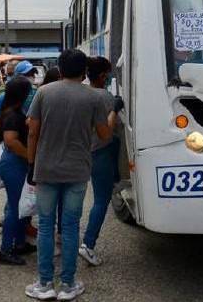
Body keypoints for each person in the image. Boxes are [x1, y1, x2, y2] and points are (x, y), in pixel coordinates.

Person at [24, 49, 122, 301]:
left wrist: (31, 163)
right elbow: (104, 135)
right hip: (78, 170)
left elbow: (32, 132)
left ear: (60, 67)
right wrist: (112, 115)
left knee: (46, 227)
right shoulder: (93, 98)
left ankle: (44, 284)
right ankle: (68, 284)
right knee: (69, 227)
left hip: (45, 169)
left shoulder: (44, 92)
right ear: (83, 71)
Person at [79, 57, 121, 267]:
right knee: (101, 200)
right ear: (104, 75)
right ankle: (88, 244)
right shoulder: (104, 97)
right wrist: (115, 108)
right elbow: (108, 130)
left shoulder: (83, 94)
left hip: (85, 152)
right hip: (102, 152)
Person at [0, 76, 37, 266]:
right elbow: (11, 141)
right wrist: (30, 156)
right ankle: (5, 250)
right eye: (29, 91)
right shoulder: (13, 115)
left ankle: (20, 243)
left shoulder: (13, 111)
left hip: (16, 164)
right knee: (14, 208)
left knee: (20, 207)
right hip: (14, 164)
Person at [0, 61, 38, 130]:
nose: (32, 77)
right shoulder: (8, 92)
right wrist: (1, 134)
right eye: (28, 74)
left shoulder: (36, 92)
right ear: (17, 76)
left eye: (33, 74)